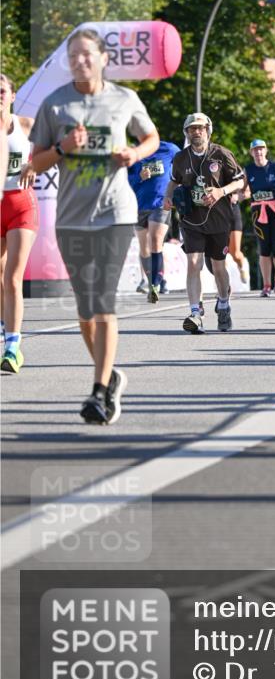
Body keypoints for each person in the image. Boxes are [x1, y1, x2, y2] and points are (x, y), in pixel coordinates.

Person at [30, 29, 159, 423]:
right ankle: (112, 374)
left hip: (115, 214)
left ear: (104, 58)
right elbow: (34, 164)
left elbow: (151, 137)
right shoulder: (55, 105)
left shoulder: (123, 99)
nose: (80, 61)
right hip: (71, 219)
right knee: (86, 310)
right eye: (73, 56)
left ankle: (99, 393)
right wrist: (61, 150)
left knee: (102, 301)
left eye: (87, 54)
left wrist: (134, 152)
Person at [163, 113, 245, 333]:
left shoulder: (221, 154)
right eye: (191, 129)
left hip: (219, 220)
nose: (196, 132)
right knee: (193, 263)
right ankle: (195, 313)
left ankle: (224, 304)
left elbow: (239, 181)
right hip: (191, 220)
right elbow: (173, 181)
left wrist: (221, 191)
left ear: (208, 130)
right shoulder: (180, 158)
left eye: (199, 128)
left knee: (218, 267)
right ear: (187, 133)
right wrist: (167, 197)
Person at [1, 74, 39, 373]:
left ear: (12, 95)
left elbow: (52, 144)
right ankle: (6, 328)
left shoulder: (25, 124)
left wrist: (34, 163)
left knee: (13, 277)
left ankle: (13, 347)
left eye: (2, 91)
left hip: (20, 205)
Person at [128, 139, 179, 303]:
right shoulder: (134, 153)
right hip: (139, 205)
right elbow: (125, 181)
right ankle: (153, 281)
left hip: (161, 203)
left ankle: (156, 283)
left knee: (156, 240)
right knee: (144, 247)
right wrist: (139, 176)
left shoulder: (169, 149)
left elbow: (185, 164)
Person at [243, 138, 275, 296]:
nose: (258, 152)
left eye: (261, 149)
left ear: (266, 151)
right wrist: (237, 196)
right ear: (251, 153)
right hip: (259, 212)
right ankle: (266, 285)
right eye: (255, 150)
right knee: (264, 249)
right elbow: (244, 190)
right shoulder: (248, 170)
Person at [227, 192, 250, 286]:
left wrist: (240, 196)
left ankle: (242, 266)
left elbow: (249, 191)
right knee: (221, 254)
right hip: (217, 215)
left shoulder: (238, 177)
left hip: (233, 212)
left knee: (235, 253)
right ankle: (225, 285)